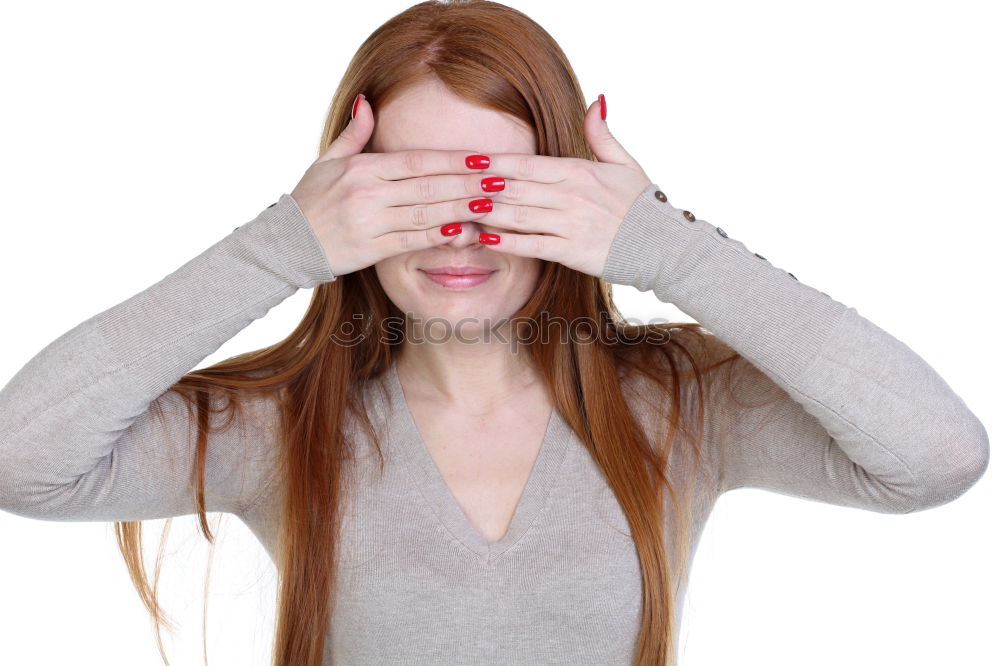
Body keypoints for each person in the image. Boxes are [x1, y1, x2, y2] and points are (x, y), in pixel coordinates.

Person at [0, 2, 989, 665]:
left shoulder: (681, 403)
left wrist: (666, 247)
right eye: (408, 189)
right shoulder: (279, 424)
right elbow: (22, 464)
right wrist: (276, 250)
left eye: (503, 188)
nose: (460, 229)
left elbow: (935, 459)